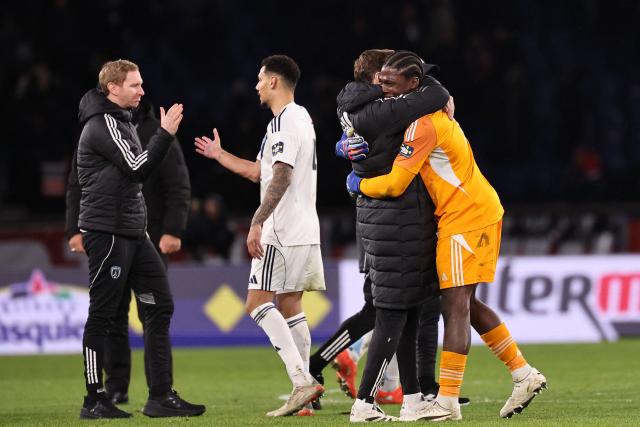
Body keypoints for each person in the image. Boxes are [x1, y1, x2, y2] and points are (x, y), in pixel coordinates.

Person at [347, 50, 547, 421]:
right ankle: (523, 373)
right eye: (381, 83)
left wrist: (359, 183)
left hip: (465, 216)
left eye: (391, 84)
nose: (383, 91)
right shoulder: (426, 113)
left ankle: (448, 401)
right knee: (465, 304)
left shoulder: (422, 125)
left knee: (453, 306)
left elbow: (393, 185)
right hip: (473, 210)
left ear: (413, 85)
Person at [309, 49, 466, 414]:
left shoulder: (365, 108)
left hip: (389, 220)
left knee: (407, 310)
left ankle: (414, 397)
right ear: (377, 79)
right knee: (387, 312)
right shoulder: (380, 112)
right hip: (393, 220)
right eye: (391, 78)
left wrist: (343, 149)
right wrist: (436, 90)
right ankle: (363, 397)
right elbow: (434, 94)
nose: (400, 85)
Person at [194, 55, 324, 417]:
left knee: (255, 304)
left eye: (259, 78)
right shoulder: (300, 119)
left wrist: (256, 222)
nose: (254, 85)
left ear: (273, 82)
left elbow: (280, 177)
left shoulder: (283, 123)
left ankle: (301, 382)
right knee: (291, 304)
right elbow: (260, 173)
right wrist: (220, 156)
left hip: (280, 230)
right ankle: (306, 397)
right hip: (304, 227)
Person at [75, 59, 204, 419]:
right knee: (102, 315)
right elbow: (137, 169)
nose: (142, 91)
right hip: (109, 234)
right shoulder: (102, 124)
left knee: (159, 305)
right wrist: (164, 133)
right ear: (112, 88)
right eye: (135, 85)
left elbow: (132, 178)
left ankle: (160, 395)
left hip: (134, 233)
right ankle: (93, 399)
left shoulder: (122, 122)